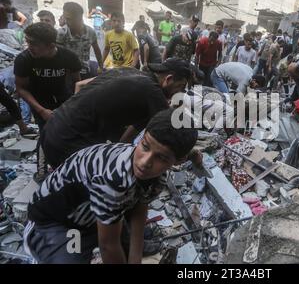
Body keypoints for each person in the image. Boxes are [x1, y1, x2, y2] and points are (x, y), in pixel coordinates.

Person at [24, 109, 198, 264]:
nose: (145, 162)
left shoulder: (156, 179)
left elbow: (139, 207)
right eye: (145, 146)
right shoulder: (113, 178)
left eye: (161, 158)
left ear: (178, 161)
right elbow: (108, 246)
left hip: (98, 212)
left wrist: (135, 258)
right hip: (62, 224)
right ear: (142, 137)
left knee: (130, 241)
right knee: (78, 253)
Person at [41, 58, 192, 168]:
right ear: (169, 79)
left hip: (50, 132)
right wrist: (192, 155)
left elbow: (79, 85)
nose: (178, 93)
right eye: (180, 87)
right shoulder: (153, 92)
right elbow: (172, 134)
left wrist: (121, 147)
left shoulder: (129, 71)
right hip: (69, 143)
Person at [14, 22, 81, 131]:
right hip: (39, 102)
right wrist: (41, 110)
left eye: (34, 43)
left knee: (69, 132)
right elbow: (21, 88)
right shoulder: (24, 59)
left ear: (51, 46)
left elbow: (77, 82)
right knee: (47, 133)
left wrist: (73, 104)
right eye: (27, 42)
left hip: (64, 99)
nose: (29, 47)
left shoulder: (69, 57)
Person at [57, 2, 103, 80]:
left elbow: (97, 50)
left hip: (85, 72)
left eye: (68, 19)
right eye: (65, 18)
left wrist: (101, 67)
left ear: (79, 18)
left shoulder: (90, 32)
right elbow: (58, 56)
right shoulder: (62, 33)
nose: (66, 21)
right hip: (67, 74)